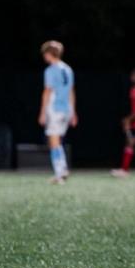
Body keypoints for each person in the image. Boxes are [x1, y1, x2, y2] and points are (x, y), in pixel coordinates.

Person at [37, 40, 77, 184]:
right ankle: (61, 170)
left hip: (55, 109)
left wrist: (42, 112)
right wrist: (73, 112)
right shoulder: (68, 69)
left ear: (49, 54)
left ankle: (60, 172)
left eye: (45, 54)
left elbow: (47, 92)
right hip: (66, 110)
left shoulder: (50, 70)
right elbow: (71, 91)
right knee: (57, 141)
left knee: (53, 141)